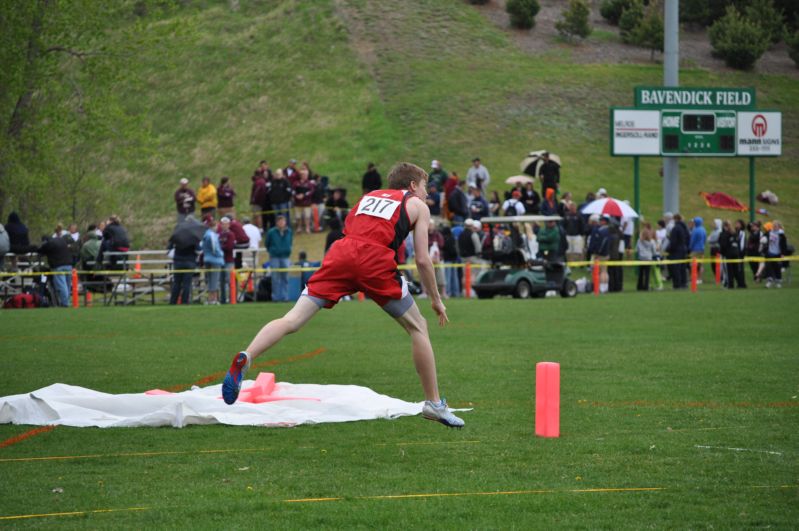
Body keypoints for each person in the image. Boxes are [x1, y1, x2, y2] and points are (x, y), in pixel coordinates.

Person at [220, 162, 463, 428]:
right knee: (419, 327)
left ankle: (248, 355)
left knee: (292, 320)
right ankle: (434, 404)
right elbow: (423, 260)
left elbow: (354, 228)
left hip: (341, 253)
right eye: (425, 187)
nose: (427, 194)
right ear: (413, 185)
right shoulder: (418, 205)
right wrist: (437, 301)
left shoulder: (368, 197)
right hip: (373, 258)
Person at [168, 216, 202, 305]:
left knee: (176, 283)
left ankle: (173, 301)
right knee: (187, 283)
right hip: (189, 261)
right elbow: (199, 250)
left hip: (178, 261)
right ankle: (184, 301)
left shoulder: (177, 234)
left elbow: (169, 248)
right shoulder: (193, 236)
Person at [37, 235, 73, 307]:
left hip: (58, 266)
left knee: (62, 285)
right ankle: (67, 301)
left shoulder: (48, 244)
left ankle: (65, 303)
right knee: (67, 285)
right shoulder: (61, 240)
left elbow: (40, 251)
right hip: (69, 265)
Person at [265, 214, 293, 302]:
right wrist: (272, 251)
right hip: (274, 257)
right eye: (280, 221)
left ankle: (285, 297)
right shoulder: (271, 232)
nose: (281, 223)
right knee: (275, 278)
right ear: (277, 222)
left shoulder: (289, 231)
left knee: (285, 278)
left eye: (283, 221)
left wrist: (288, 250)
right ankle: (275, 297)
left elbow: (290, 242)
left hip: (285, 257)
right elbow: (267, 243)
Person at [201, 215, 224, 305]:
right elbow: (214, 247)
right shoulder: (211, 234)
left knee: (209, 280)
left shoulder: (205, 234)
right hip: (215, 260)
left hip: (207, 258)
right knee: (214, 279)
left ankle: (210, 299)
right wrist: (220, 254)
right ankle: (213, 299)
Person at [719, 220, 745, 289]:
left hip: (728, 254)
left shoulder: (724, 234)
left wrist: (722, 252)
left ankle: (730, 285)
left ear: (724, 226)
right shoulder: (735, 233)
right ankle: (741, 284)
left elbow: (723, 245)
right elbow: (738, 243)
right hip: (736, 253)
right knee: (736, 270)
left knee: (728, 271)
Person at [667, 213, 690, 289]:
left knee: (675, 268)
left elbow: (673, 241)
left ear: (675, 219)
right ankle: (684, 283)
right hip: (684, 249)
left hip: (676, 251)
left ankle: (677, 284)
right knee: (683, 267)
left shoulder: (676, 228)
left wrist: (669, 249)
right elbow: (688, 238)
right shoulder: (685, 228)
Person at [764, 221, 788, 289]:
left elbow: (784, 245)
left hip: (777, 253)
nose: (774, 227)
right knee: (768, 267)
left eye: (776, 226)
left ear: (779, 227)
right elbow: (764, 238)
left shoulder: (781, 234)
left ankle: (778, 282)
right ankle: (769, 281)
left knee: (777, 267)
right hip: (769, 252)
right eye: (773, 225)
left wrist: (783, 253)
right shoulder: (769, 233)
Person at [217, 216, 236, 304]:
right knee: (221, 281)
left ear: (228, 225)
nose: (224, 226)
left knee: (229, 280)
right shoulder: (219, 234)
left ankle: (231, 298)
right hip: (221, 261)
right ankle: (223, 299)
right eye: (223, 224)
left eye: (226, 224)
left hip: (228, 260)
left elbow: (229, 247)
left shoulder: (230, 234)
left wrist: (220, 248)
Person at [636, 226, 656, 291]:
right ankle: (646, 286)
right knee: (647, 273)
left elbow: (637, 249)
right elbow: (654, 251)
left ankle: (639, 286)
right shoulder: (652, 241)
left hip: (641, 258)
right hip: (648, 258)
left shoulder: (639, 241)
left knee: (641, 273)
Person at [689, 217, 707, 281]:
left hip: (695, 249)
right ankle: (700, 278)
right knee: (700, 264)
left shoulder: (695, 230)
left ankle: (694, 278)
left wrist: (690, 247)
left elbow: (692, 241)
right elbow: (705, 239)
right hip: (702, 249)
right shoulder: (703, 229)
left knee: (693, 264)